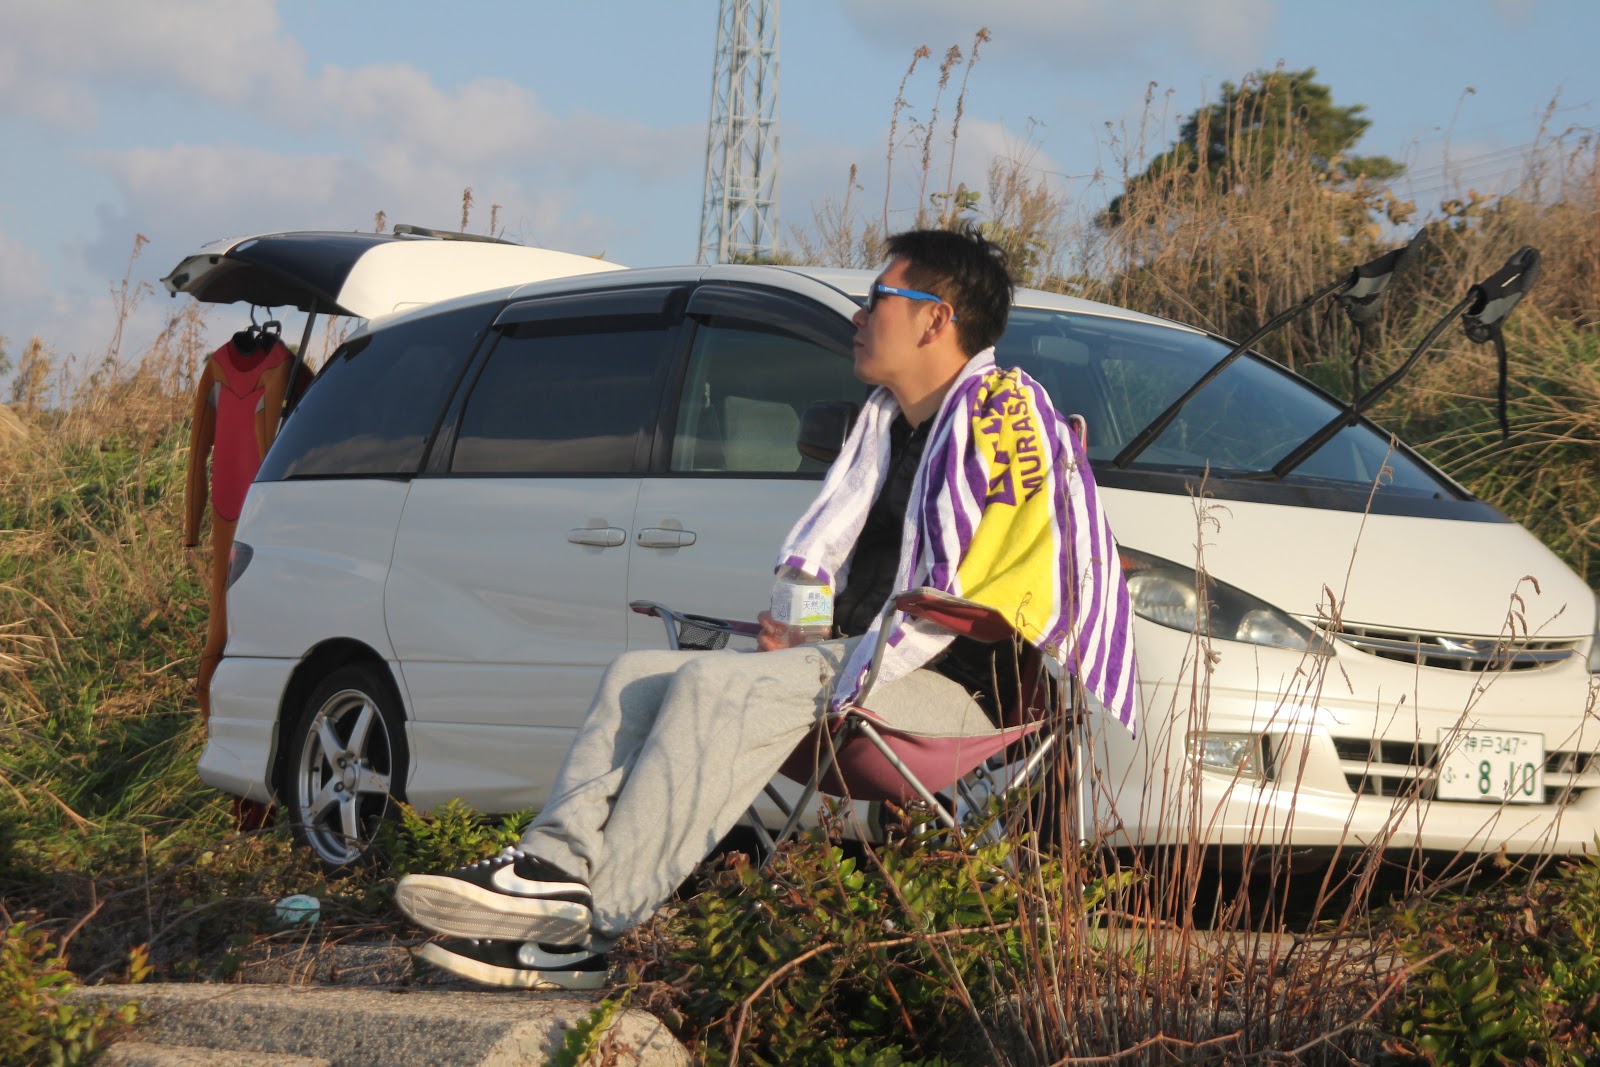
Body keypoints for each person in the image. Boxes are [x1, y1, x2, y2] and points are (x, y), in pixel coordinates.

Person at [394, 227, 1138, 990]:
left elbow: (1003, 572)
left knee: (715, 684)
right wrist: (811, 635)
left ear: (935, 319)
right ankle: (551, 868)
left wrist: (849, 651)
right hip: (858, 664)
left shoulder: (1004, 414)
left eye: (878, 297)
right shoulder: (888, 428)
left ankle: (598, 922)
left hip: (952, 690)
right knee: (635, 673)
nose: (860, 316)